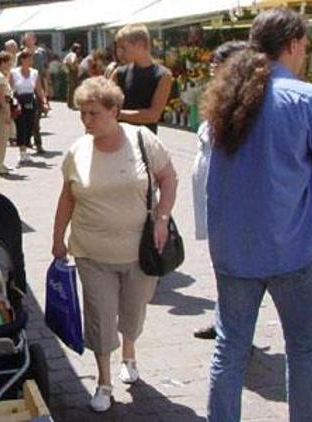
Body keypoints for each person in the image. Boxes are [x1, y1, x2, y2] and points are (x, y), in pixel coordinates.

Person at [201, 8, 312, 421]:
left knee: (229, 349)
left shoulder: (227, 99)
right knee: (303, 350)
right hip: (293, 249)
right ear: (292, 45)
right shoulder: (302, 99)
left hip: (233, 250)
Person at [52, 77, 177, 413]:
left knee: (133, 313)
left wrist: (163, 216)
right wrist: (57, 239)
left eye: (93, 113)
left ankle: (130, 352)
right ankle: (104, 381)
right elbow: (67, 197)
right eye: (82, 114)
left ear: (114, 111)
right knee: (100, 316)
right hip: (91, 251)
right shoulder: (77, 151)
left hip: (140, 251)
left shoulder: (141, 140)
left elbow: (169, 177)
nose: (86, 121)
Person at [191, 41, 249, 341]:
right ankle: (226, 321)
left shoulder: (243, 107)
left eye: (218, 65)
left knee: (236, 271)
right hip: (216, 204)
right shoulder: (220, 100)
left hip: (232, 207)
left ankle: (236, 329)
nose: (212, 71)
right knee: (223, 268)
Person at [111, 25, 173, 134]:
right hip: (118, 138)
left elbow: (153, 115)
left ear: (141, 46)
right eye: (118, 48)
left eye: (123, 48)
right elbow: (103, 104)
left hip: (144, 141)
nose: (119, 53)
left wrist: (117, 114)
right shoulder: (119, 73)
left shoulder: (163, 75)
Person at [11, 50, 48, 165]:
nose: (31, 61)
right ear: (22, 60)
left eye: (31, 59)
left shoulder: (34, 73)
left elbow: (39, 89)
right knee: (20, 125)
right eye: (29, 59)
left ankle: (26, 149)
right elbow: (11, 88)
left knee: (30, 125)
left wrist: (44, 102)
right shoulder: (14, 72)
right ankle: (22, 151)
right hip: (19, 100)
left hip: (30, 100)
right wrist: (12, 101)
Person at [22, 32, 49, 151]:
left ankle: (38, 143)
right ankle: (30, 140)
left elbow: (45, 70)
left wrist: (48, 86)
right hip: (26, 88)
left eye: (30, 39)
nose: (28, 41)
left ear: (35, 40)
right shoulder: (21, 54)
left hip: (39, 85)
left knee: (36, 115)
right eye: (26, 39)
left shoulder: (41, 53)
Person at [0, 51, 14, 175]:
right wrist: (7, 112)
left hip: (0, 108)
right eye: (8, 63)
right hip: (1, 110)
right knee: (2, 138)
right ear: (3, 62)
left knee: (1, 137)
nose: (10, 65)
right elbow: (1, 98)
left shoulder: (0, 75)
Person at [63, 43, 82, 109]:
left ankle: (70, 104)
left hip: (69, 73)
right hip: (73, 73)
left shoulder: (68, 54)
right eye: (78, 49)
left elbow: (64, 62)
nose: (79, 50)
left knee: (70, 89)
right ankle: (73, 104)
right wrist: (74, 67)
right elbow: (73, 61)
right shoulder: (73, 55)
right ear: (76, 49)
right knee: (74, 88)